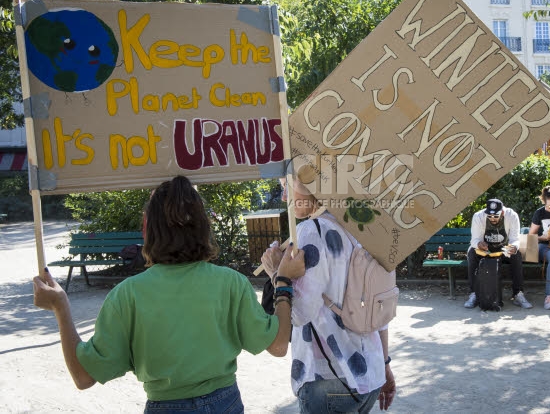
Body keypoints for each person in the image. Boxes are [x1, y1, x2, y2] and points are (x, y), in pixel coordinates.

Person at [32, 175, 306, 413]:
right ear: (203, 226)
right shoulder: (230, 283)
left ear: (149, 229)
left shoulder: (127, 295)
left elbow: (82, 377)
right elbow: (278, 345)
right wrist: (282, 282)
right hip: (226, 404)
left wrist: (60, 306)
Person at [261, 170, 397, 413]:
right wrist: (385, 365)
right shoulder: (362, 226)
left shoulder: (311, 231)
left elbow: (299, 314)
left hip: (330, 376)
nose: (283, 197)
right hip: (371, 372)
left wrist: (275, 272)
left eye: (286, 186)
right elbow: (378, 305)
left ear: (312, 186)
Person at [463, 198, 533, 309]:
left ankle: (518, 294)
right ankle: (474, 294)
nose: (492, 219)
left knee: (517, 255)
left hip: (504, 249)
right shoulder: (478, 216)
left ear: (503, 213)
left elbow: (515, 238)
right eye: (489, 216)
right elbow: (474, 240)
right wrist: (479, 244)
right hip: (485, 249)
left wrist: (514, 247)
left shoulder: (512, 215)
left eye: (496, 216)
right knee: (472, 253)